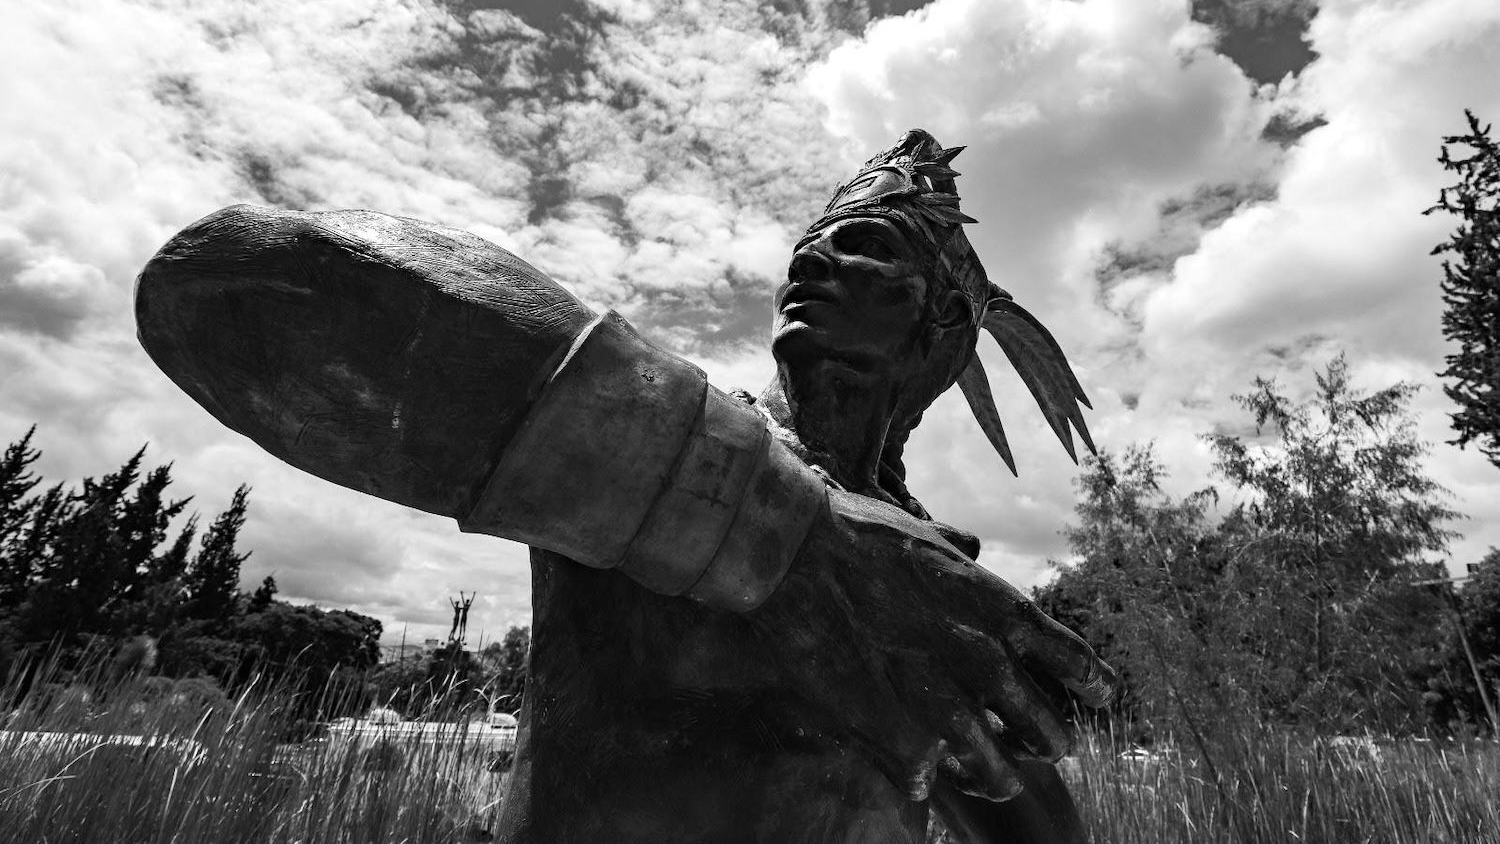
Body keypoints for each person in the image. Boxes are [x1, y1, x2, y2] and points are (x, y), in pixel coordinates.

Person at [135, 129, 1114, 843]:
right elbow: (226, 283)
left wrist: (984, 732)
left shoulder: (936, 587)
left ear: (944, 331)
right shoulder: (679, 428)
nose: (811, 262)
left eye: (864, 250)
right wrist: (795, 542)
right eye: (806, 250)